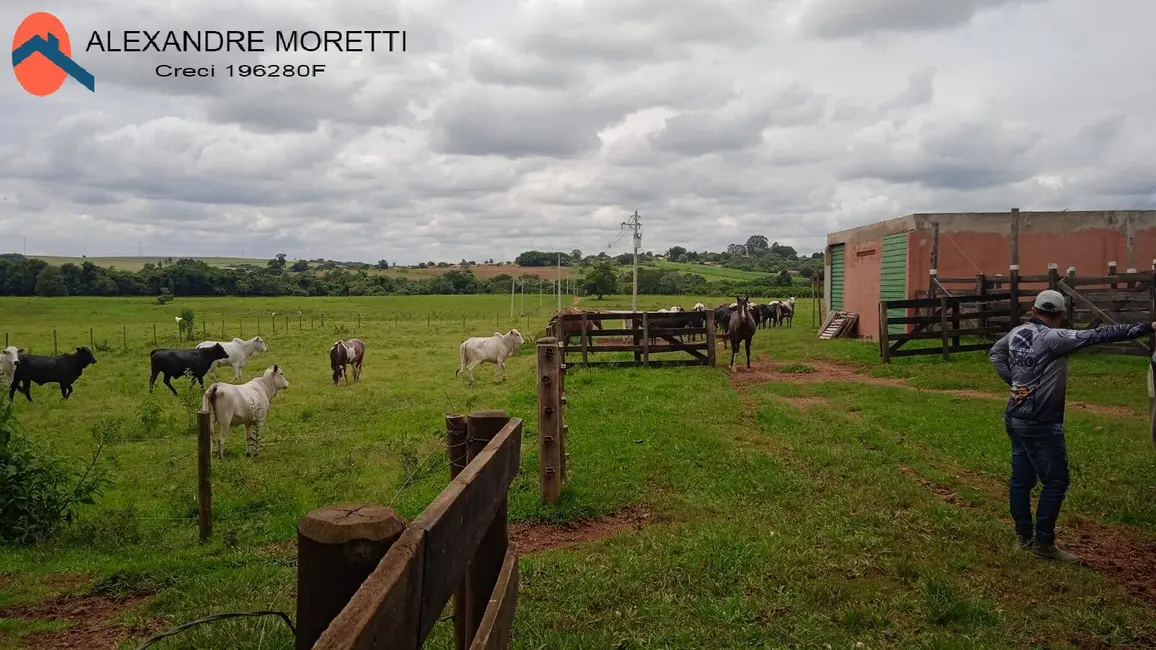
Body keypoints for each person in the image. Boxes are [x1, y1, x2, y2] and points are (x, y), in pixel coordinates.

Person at [988, 289, 1154, 562]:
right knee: (1055, 482)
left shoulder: (1017, 332)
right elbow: (1098, 335)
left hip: (1015, 416)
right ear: (1062, 314)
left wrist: (1016, 386)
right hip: (1041, 421)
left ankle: (1023, 537)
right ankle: (1044, 544)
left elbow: (995, 354)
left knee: (1021, 479)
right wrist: (1147, 327)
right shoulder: (1055, 338)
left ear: (1034, 309)